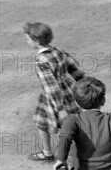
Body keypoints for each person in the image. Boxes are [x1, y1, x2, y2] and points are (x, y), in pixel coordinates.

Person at [24, 22, 84, 161]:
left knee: (68, 125)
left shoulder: (41, 60)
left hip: (53, 98)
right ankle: (48, 152)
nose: (27, 42)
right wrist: (82, 83)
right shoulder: (58, 51)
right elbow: (75, 68)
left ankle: (81, 153)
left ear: (37, 41)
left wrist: (60, 108)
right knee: (42, 122)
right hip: (68, 90)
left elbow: (52, 87)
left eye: (28, 39)